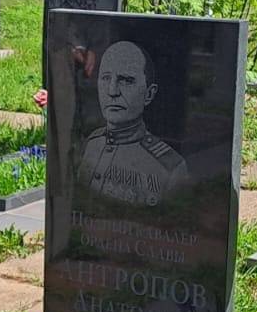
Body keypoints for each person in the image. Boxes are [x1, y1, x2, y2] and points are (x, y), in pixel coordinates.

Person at [79, 40, 187, 206]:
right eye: (106, 78)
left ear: (149, 94)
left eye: (126, 80)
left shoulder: (169, 168)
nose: (112, 91)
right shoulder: (93, 143)